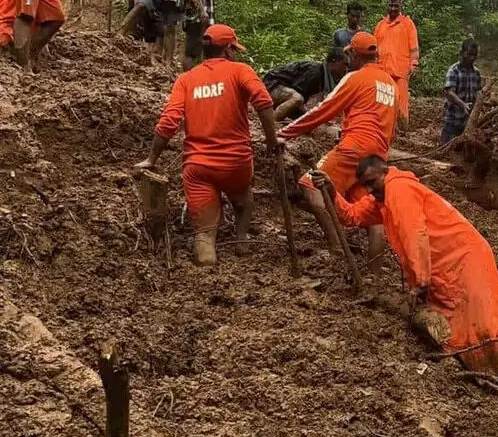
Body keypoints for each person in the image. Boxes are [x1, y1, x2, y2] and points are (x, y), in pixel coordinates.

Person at [321, 156, 498, 396]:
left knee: (488, 323)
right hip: (442, 266)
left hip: (464, 258)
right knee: (457, 324)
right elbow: (352, 216)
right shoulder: (382, 197)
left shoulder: (399, 189)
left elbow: (414, 235)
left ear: (385, 172)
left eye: (372, 182)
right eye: (365, 185)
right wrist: (331, 192)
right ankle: (485, 374)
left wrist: (420, 282)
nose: (369, 189)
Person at [134, 23, 279, 267]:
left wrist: (152, 159)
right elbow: (263, 102)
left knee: (203, 233)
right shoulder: (241, 71)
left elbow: (169, 120)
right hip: (236, 163)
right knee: (244, 198)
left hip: (198, 167)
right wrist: (271, 141)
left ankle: (207, 266)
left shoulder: (187, 79)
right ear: (229, 50)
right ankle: (241, 240)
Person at [277, 31, 397, 265]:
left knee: (310, 184)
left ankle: (336, 248)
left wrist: (284, 132)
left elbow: (323, 110)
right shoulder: (391, 84)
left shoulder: (356, 78)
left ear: (353, 54)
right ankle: (374, 274)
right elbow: (392, 127)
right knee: (372, 213)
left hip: (354, 147)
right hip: (378, 154)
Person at [374, 0, 419, 128]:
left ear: (401, 7)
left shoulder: (407, 24)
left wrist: (414, 64)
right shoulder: (381, 25)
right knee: (384, 101)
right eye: (391, 5)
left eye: (396, 6)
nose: (393, 8)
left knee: (401, 103)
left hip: (401, 70)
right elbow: (374, 48)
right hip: (383, 70)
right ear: (387, 6)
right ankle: (384, 127)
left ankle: (403, 130)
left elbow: (414, 47)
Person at [263, 49, 348, 121]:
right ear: (334, 61)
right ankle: (272, 123)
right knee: (297, 99)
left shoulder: (324, 76)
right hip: (271, 85)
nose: (346, 69)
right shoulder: (316, 71)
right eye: (344, 64)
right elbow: (298, 96)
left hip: (284, 90)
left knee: (309, 118)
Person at [440, 39, 482, 145]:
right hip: (452, 119)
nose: (472, 58)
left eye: (474, 55)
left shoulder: (476, 73)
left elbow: (478, 93)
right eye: (469, 54)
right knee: (444, 149)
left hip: (467, 122)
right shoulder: (454, 70)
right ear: (462, 53)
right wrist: (462, 104)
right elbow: (449, 92)